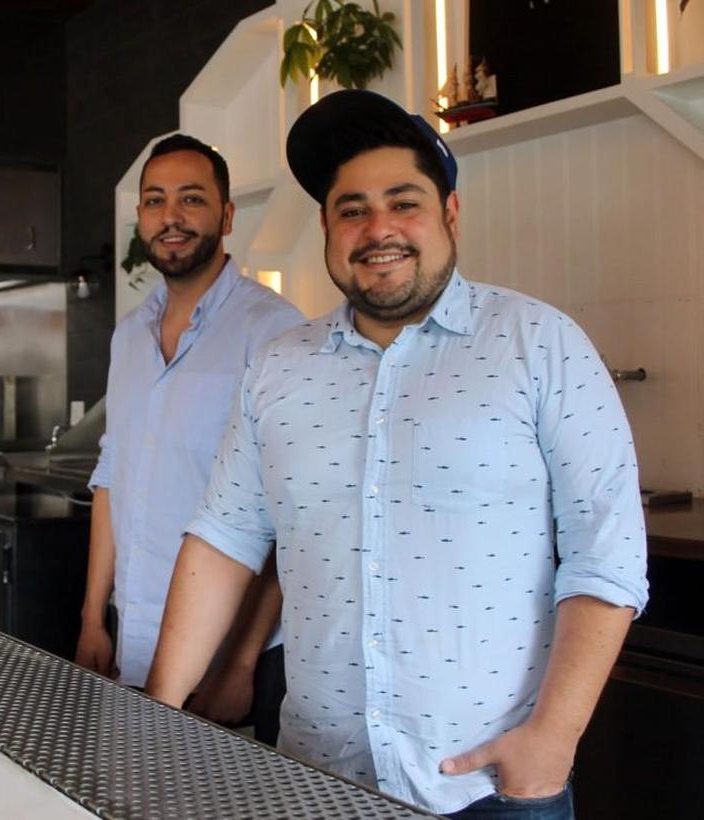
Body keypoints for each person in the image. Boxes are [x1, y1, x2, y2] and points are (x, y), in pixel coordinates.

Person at [144, 91, 648, 818]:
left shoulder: (537, 343)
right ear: (326, 227)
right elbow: (225, 538)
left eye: (403, 202)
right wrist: (156, 708)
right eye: (352, 209)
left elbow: (609, 553)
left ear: (450, 214)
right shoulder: (280, 367)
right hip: (314, 780)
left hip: (493, 789)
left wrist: (553, 739)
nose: (378, 228)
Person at [76, 134, 304, 743]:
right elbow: (110, 480)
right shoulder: (129, 336)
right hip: (134, 634)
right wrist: (93, 617)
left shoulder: (276, 332)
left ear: (227, 216)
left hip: (230, 649)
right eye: (154, 201)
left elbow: (291, 515)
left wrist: (240, 662)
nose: (170, 217)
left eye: (191, 199)